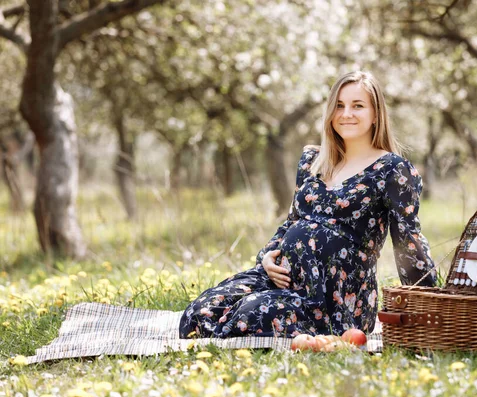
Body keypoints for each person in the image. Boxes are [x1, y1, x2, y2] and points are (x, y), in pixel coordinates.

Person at [179, 71, 436, 339]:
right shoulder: (313, 160)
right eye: (339, 105)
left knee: (249, 313)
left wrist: (430, 305)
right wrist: (268, 257)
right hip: (284, 277)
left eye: (357, 105)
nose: (346, 113)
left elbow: (409, 241)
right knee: (198, 313)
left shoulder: (392, 170)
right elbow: (293, 221)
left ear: (375, 114)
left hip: (334, 296)